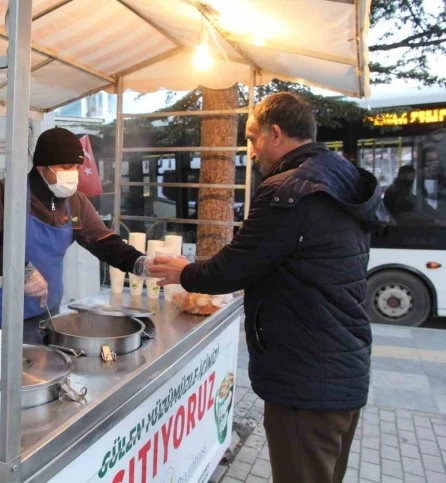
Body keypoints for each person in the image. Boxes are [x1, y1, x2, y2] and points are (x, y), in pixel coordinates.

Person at [149, 93, 389, 483]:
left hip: (306, 380)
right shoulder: (342, 178)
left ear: (275, 133)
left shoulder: (290, 190)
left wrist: (184, 271)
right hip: (344, 367)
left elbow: (237, 266)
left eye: (252, 138)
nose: (252, 151)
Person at [0, 127, 146, 330]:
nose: (73, 174)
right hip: (0, 306)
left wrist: (139, 262)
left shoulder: (76, 202)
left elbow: (104, 241)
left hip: (46, 308)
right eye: (66, 166)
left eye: (77, 167)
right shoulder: (3, 192)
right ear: (43, 167)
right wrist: (22, 272)